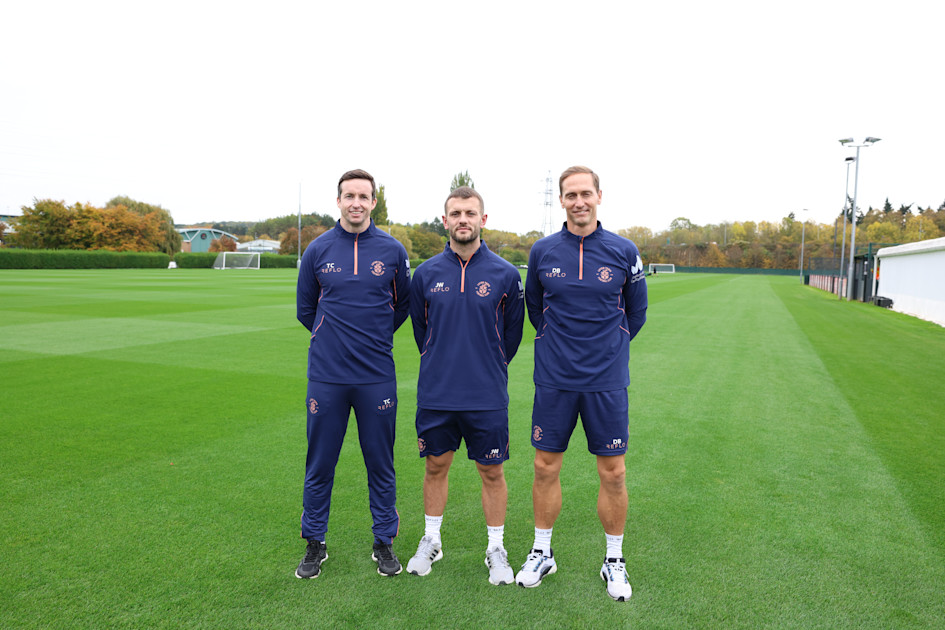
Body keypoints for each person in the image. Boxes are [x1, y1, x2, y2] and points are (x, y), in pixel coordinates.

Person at [514, 166, 647, 602]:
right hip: (554, 378)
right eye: (570, 195)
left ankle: (614, 560)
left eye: (585, 193)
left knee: (613, 472)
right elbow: (535, 306)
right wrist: (557, 344)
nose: (579, 202)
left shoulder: (624, 250)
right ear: (562, 200)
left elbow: (636, 313)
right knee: (544, 467)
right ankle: (541, 552)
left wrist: (607, 348)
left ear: (599, 196)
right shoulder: (542, 251)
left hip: (606, 381)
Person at [405, 186, 525, 585]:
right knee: (436, 465)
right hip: (437, 393)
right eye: (455, 213)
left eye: (470, 213)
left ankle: (495, 548)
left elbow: (511, 337)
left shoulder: (506, 274)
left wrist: (485, 366)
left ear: (483, 220)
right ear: (445, 220)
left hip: (487, 394)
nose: (463, 220)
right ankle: (432, 540)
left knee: (492, 470)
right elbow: (422, 333)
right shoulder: (424, 275)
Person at [295, 169, 411, 579]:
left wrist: (372, 339)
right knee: (320, 463)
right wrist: (333, 340)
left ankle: (383, 542)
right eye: (349, 196)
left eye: (364, 196)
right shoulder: (318, 249)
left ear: (373, 202)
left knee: (380, 463)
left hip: (376, 376)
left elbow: (401, 307)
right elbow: (306, 309)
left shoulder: (393, 251)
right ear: (339, 200)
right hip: (326, 377)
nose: (356, 203)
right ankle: (315, 543)